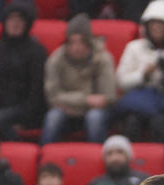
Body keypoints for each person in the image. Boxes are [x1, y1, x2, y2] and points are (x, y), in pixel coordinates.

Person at [114, 0, 164, 141]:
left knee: (159, 123)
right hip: (139, 103)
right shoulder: (133, 47)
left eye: (161, 24)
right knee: (132, 122)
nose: (157, 28)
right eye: (153, 24)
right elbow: (121, 81)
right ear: (146, 26)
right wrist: (143, 75)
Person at [0, 0, 47, 141]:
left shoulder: (37, 52)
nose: (15, 23)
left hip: (26, 110)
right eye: (11, 19)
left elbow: (37, 93)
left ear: (27, 23)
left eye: (20, 19)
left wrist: (23, 118)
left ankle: (20, 150)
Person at [41, 14, 117, 144]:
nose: (76, 47)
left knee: (95, 118)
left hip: (93, 111)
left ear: (89, 42)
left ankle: (96, 159)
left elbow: (108, 97)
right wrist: (86, 100)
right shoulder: (55, 60)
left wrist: (68, 101)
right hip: (68, 112)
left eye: (81, 42)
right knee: (53, 117)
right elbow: (52, 97)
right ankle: (46, 159)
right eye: (72, 42)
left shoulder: (103, 58)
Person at [84, 135, 149, 185]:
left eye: (120, 152)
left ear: (128, 156)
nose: (114, 158)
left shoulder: (144, 180)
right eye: (109, 153)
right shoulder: (96, 184)